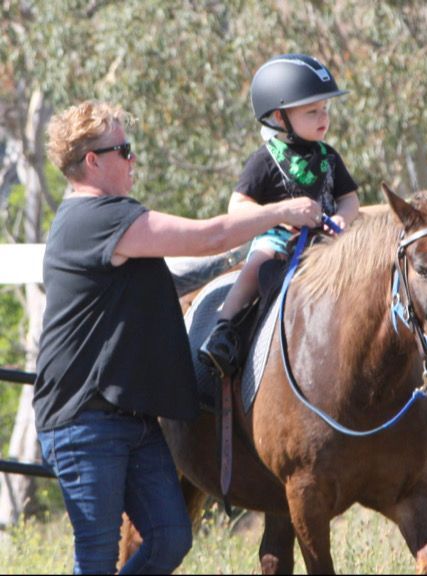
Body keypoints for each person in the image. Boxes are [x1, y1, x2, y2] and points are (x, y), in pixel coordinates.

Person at [34, 100, 325, 574]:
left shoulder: (112, 221)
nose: (133, 159)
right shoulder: (99, 218)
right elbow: (207, 237)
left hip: (132, 416)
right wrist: (280, 211)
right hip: (85, 420)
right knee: (97, 555)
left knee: (170, 537)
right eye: (123, 150)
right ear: (92, 161)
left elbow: (189, 265)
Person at [198, 53, 360, 378]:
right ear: (279, 117)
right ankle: (223, 329)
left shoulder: (329, 156)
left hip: (328, 240)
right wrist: (277, 214)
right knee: (256, 265)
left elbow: (349, 198)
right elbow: (238, 207)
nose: (323, 117)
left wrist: (343, 217)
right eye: (312, 111)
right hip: (279, 238)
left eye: (325, 109)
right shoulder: (264, 160)